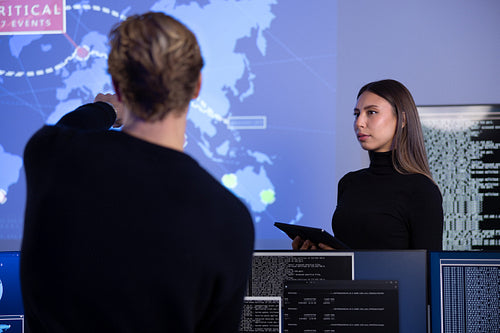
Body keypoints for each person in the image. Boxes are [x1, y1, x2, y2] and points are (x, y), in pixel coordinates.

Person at [20, 12, 254, 333]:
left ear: (118, 85)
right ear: (197, 86)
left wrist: (106, 108)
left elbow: (71, 127)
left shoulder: (51, 152)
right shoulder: (230, 218)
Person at [293, 79, 443, 251]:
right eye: (357, 114)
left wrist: (346, 260)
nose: (359, 123)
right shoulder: (348, 183)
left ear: (402, 119)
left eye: (371, 112)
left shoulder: (422, 190)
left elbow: (427, 272)